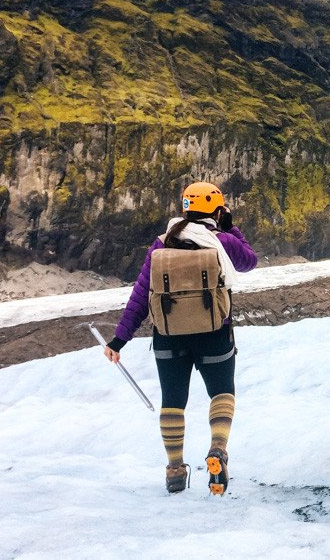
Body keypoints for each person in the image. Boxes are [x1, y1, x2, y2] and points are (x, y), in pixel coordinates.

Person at [104, 181, 257, 495]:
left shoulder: (162, 243)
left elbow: (141, 294)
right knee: (221, 393)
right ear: (217, 209)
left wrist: (119, 340)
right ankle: (217, 451)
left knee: (172, 402)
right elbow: (249, 262)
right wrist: (231, 227)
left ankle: (175, 468)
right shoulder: (222, 240)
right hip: (214, 333)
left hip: (169, 336)